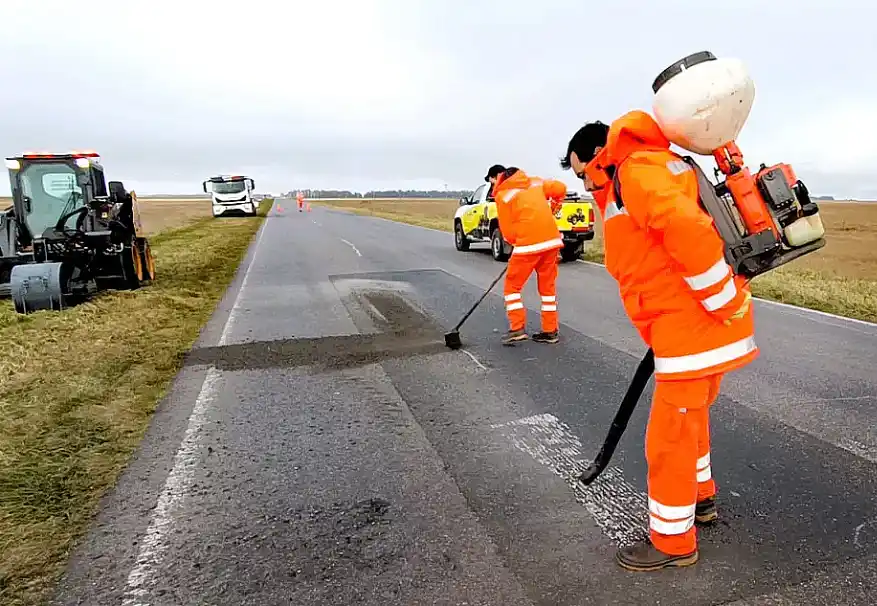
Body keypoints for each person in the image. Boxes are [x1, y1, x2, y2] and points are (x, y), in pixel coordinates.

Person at [559, 111, 757, 571]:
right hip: (691, 327)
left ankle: (672, 542)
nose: (585, 186)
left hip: (696, 326)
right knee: (691, 420)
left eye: (584, 173)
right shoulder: (639, 172)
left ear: (599, 156)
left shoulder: (637, 173)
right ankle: (702, 498)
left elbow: (686, 228)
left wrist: (720, 299)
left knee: (668, 436)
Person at [490, 165, 568, 345]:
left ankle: (517, 328)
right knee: (547, 289)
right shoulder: (536, 182)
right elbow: (561, 189)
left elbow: (508, 232)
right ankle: (550, 331)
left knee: (512, 286)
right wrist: (555, 206)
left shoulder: (504, 195)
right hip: (552, 242)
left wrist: (516, 243)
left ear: (501, 180)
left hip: (527, 246)